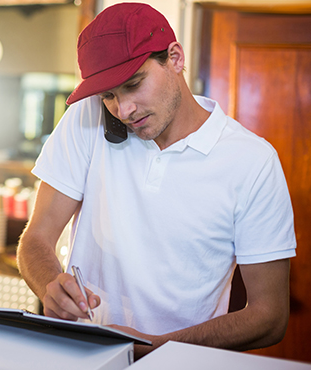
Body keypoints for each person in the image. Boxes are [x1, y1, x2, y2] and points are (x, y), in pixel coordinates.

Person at [17, 2, 296, 359]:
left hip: (180, 363)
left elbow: (270, 317)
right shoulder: (85, 119)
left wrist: (153, 346)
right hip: (79, 356)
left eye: (133, 85)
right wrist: (49, 285)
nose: (124, 110)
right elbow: (36, 238)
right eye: (109, 95)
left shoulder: (253, 162)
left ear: (175, 58)